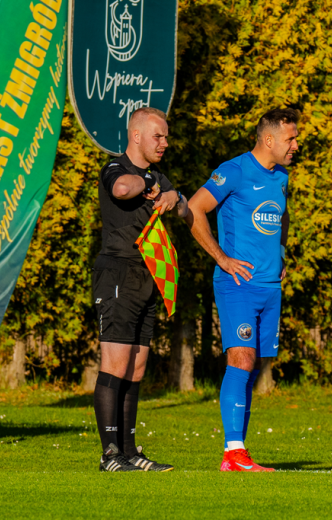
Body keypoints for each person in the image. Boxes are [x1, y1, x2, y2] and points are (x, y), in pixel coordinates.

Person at [185, 108, 299, 472]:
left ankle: (239, 453)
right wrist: (221, 257)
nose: (296, 145)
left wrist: (281, 254)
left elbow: (282, 216)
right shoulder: (233, 171)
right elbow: (193, 208)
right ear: (269, 140)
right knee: (241, 360)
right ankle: (233, 453)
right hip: (238, 285)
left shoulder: (281, 176)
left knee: (252, 367)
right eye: (290, 139)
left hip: (269, 286)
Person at [93, 107, 187, 472]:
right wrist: (154, 187)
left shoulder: (158, 175)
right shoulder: (116, 168)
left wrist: (173, 196)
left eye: (165, 136)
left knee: (136, 368)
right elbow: (121, 189)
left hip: (149, 276)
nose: (164, 142)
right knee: (114, 365)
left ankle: (131, 451)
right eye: (158, 136)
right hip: (117, 273)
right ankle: (110, 454)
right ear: (136, 136)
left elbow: (182, 209)